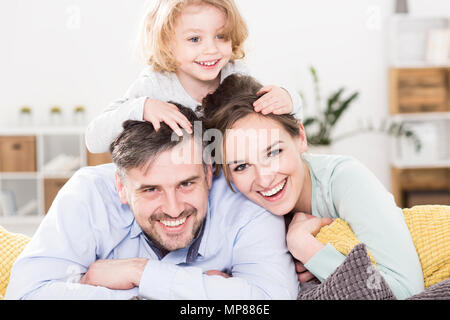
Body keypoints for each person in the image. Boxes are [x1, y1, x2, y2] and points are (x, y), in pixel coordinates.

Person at [5, 105, 298, 300]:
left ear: (209, 174)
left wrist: (139, 272)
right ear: (121, 187)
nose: (173, 208)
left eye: (186, 184)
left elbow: (272, 299)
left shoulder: (246, 198)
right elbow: (26, 294)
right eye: (151, 190)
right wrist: (191, 287)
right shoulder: (89, 194)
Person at [200, 74, 425, 300]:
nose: (264, 179)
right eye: (241, 166)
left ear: (300, 137)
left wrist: (306, 249)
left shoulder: (346, 180)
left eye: (274, 152)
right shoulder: (242, 206)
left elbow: (407, 292)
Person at [85, 0, 303, 154]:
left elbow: (280, 120)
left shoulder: (235, 74)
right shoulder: (156, 84)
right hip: (181, 189)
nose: (211, 49)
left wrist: (287, 98)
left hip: (228, 184)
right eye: (195, 39)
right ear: (166, 43)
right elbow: (94, 140)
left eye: (221, 36)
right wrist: (141, 108)